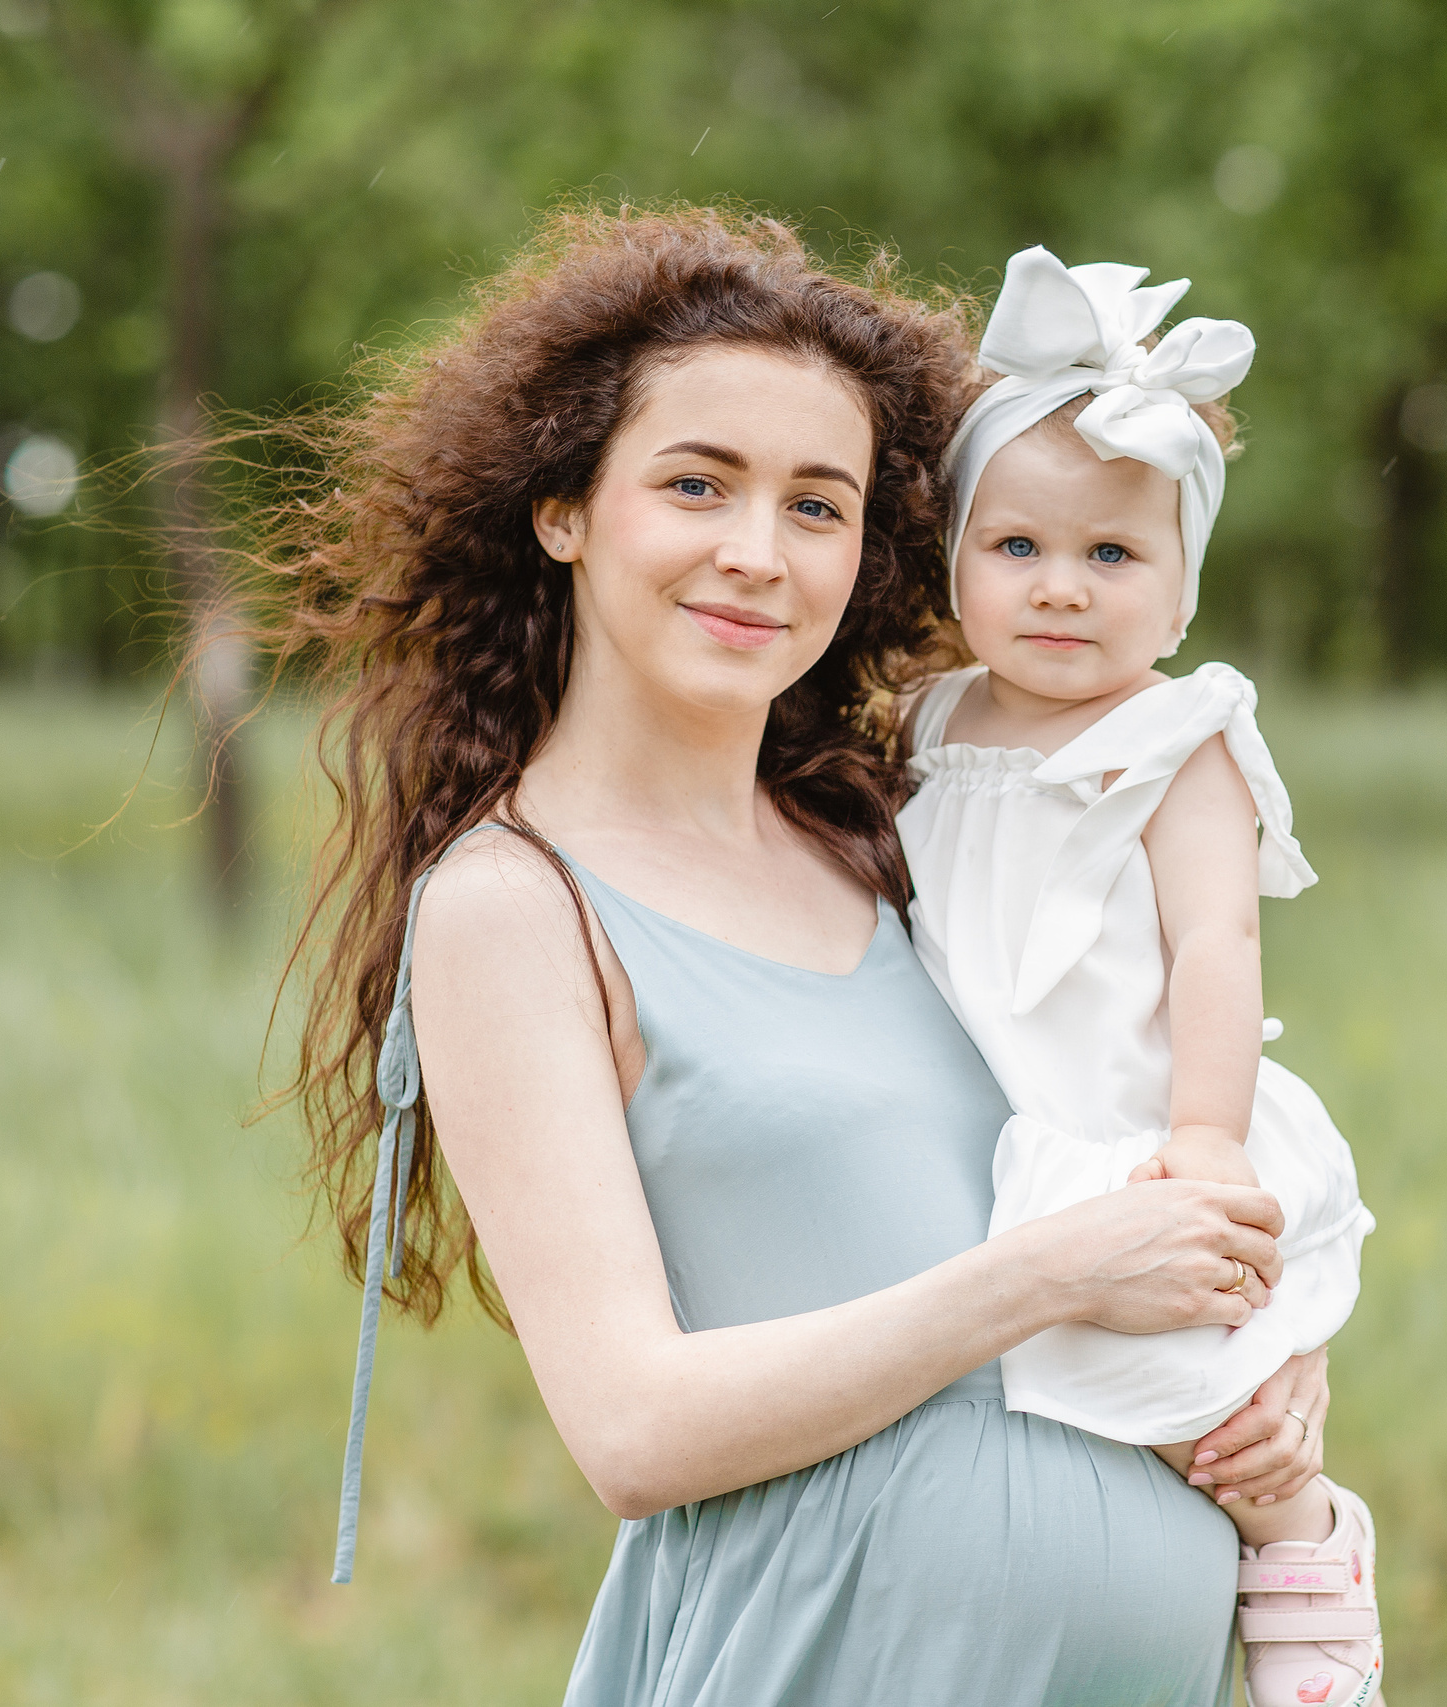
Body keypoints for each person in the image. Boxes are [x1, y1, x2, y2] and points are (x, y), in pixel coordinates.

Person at [266, 207, 1334, 1705]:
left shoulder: (896, 839)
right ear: (564, 509)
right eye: (697, 485)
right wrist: (1051, 1273)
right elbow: (634, 1433)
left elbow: (1122, 1118)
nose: (757, 554)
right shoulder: (520, 906)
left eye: (818, 506)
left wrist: (1256, 1364)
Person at [898, 246, 1383, 1707]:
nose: (1062, 590)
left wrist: (1204, 1140)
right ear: (957, 565)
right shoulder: (922, 724)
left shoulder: (1181, 740)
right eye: (1019, 550)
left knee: (1211, 1409)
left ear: (1179, 594)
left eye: (1113, 556)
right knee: (1073, 1380)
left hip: (1134, 1118)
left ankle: (1308, 1576)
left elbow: (1217, 949)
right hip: (1006, 1125)